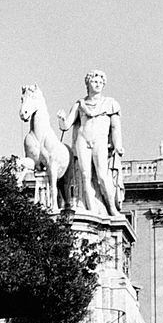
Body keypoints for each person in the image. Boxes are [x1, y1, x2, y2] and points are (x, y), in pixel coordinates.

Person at [57, 71, 124, 217]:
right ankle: (92, 209)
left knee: (102, 175)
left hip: (100, 140)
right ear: (88, 84)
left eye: (100, 82)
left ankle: (111, 208)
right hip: (82, 139)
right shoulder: (80, 103)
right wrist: (61, 119)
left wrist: (117, 144)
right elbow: (66, 125)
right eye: (94, 81)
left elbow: (115, 127)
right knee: (85, 175)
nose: (98, 84)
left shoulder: (110, 103)